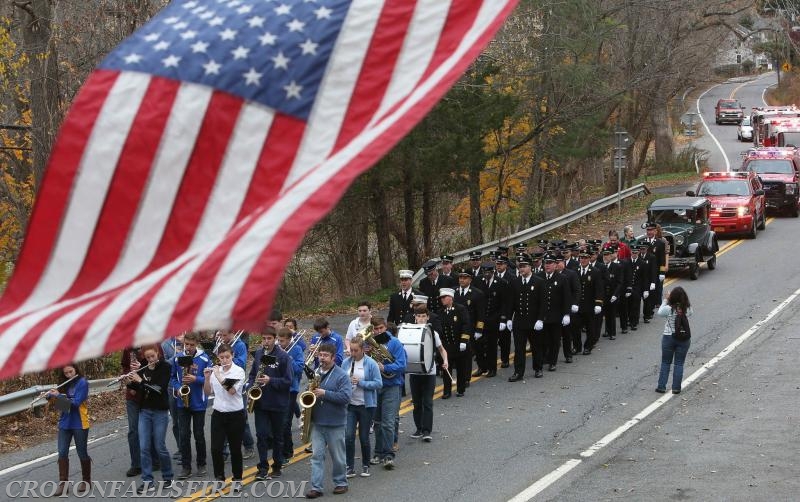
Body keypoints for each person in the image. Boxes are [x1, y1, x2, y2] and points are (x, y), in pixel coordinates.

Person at [305, 344, 352, 499]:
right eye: (320, 355)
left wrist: (325, 393)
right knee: (316, 456)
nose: (322, 358)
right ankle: (316, 487)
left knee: (338, 457)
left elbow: (345, 397)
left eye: (325, 356)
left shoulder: (342, 375)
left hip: (335, 423)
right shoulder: (316, 373)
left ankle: (341, 483)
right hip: (318, 422)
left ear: (333, 358)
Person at [126, 344, 174, 494]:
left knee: (159, 446)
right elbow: (137, 389)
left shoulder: (165, 367)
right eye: (147, 358)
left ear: (158, 354)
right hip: (144, 411)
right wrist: (129, 382)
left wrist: (140, 381)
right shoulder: (144, 368)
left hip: (160, 411)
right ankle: (148, 481)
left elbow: (158, 389)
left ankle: (168, 477)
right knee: (144, 447)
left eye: (152, 356)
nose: (151, 360)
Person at [248, 326, 293, 480]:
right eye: (263, 339)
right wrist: (251, 387)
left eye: (269, 339)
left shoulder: (283, 357)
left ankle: (277, 466)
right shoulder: (259, 353)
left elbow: (288, 381)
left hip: (278, 403)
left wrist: (270, 380)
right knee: (261, 435)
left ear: (275, 339)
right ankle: (262, 467)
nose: (266, 342)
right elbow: (253, 374)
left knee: (277, 437)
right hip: (261, 402)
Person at [203, 344, 246, 492]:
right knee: (216, 449)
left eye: (227, 357)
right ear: (218, 357)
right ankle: (219, 479)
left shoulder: (239, 371)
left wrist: (218, 375)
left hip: (235, 414)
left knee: (235, 449)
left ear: (232, 355)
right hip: (218, 413)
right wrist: (207, 378)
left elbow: (231, 390)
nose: (224, 360)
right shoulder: (216, 371)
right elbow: (208, 392)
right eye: (221, 357)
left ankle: (237, 479)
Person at [171, 332, 211, 480]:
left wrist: (196, 379)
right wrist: (178, 388)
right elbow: (173, 378)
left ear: (197, 344)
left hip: (198, 402)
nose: (188, 347)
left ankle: (201, 464)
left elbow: (209, 378)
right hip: (182, 402)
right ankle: (186, 467)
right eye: (186, 344)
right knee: (184, 435)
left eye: (192, 345)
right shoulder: (177, 358)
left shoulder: (204, 358)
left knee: (199, 434)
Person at [47, 364, 91, 496]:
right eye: (66, 373)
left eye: (71, 371)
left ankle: (87, 481)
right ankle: (63, 484)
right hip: (65, 423)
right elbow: (63, 406)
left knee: (81, 452)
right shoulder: (63, 384)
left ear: (76, 369)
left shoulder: (83, 383)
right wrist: (51, 397)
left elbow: (76, 404)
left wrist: (59, 396)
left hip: (79, 422)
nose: (69, 375)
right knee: (62, 452)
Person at [342, 336, 382, 478]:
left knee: (364, 437)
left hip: (366, 405)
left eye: (355, 350)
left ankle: (366, 465)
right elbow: (341, 380)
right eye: (351, 350)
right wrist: (347, 381)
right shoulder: (346, 363)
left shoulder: (371, 364)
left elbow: (378, 383)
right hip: (350, 405)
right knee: (348, 437)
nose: (352, 353)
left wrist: (361, 383)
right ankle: (349, 467)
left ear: (362, 349)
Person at [369, 316, 407, 469]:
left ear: (385, 327)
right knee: (377, 423)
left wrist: (385, 368)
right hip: (376, 386)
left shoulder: (395, 343)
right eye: (375, 329)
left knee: (388, 423)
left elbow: (401, 365)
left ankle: (389, 455)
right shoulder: (370, 343)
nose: (378, 331)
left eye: (381, 328)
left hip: (392, 385)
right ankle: (378, 453)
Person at [409, 305, 448, 442]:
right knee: (417, 403)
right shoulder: (410, 332)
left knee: (427, 402)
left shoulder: (433, 333)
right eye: (418, 316)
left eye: (423, 316)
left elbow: (442, 350)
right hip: (414, 372)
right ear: (415, 317)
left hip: (429, 372)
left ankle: (427, 431)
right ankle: (419, 428)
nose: (420, 319)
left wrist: (446, 361)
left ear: (427, 317)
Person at [121, 346, 162, 477]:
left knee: (150, 429)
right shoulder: (128, 348)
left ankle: (156, 460)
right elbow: (125, 367)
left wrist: (142, 365)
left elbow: (160, 366)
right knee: (133, 430)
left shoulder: (152, 343)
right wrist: (128, 378)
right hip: (132, 395)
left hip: (147, 394)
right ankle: (136, 464)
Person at [535, 253, 571, 375]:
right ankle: (544, 358)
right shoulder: (539, 277)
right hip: (542, 315)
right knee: (543, 340)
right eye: (546, 263)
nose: (548, 265)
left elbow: (567, 297)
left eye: (550, 263)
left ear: (556, 265)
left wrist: (567, 314)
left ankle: (553, 362)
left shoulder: (562, 278)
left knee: (555, 340)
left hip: (556, 315)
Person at [656, 287, 693, 394]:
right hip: (684, 338)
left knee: (666, 362)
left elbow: (660, 312)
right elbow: (691, 313)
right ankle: (676, 388)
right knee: (679, 364)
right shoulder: (688, 308)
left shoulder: (669, 308)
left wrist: (666, 300)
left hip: (668, 337)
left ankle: (661, 386)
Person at [279, 327, 305, 465]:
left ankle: (287, 451)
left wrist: (287, 357)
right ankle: (281, 448)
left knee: (285, 422)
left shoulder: (296, 350)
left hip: (291, 389)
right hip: (278, 387)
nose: (280, 343)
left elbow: (299, 369)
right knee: (278, 421)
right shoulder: (277, 348)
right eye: (279, 340)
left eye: (282, 341)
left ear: (289, 340)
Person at [437, 289, 470, 397]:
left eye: (444, 297)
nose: (442, 300)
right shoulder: (441, 312)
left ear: (450, 298)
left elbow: (466, 325)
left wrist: (464, 341)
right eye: (441, 298)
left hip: (458, 343)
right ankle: (447, 391)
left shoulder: (460, 309)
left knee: (461, 368)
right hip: (447, 345)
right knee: (446, 368)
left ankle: (461, 389)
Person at [161, 333, 184, 460]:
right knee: (176, 421)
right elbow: (163, 365)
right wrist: (176, 356)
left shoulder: (188, 340)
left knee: (188, 421)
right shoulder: (165, 344)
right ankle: (181, 448)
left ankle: (188, 450)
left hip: (188, 383)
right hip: (172, 386)